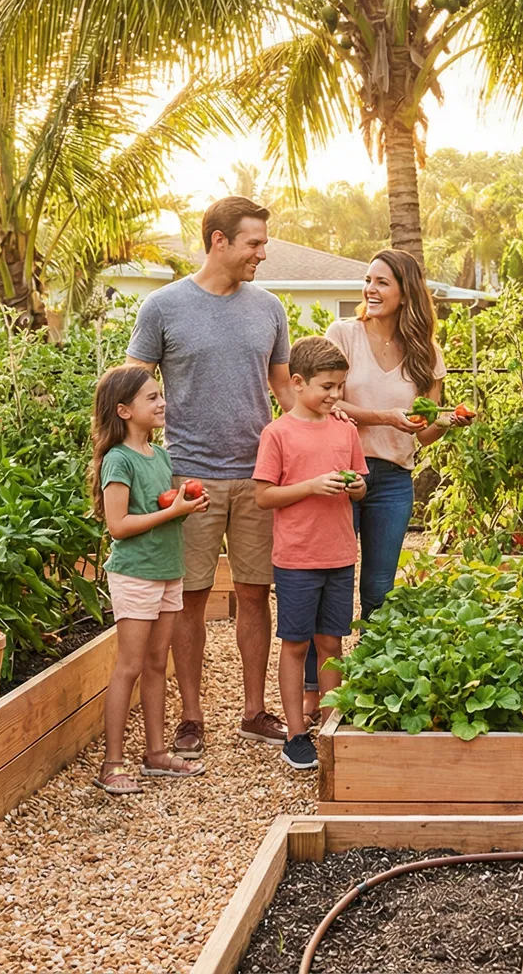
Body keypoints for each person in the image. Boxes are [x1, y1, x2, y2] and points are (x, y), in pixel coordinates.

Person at [127, 196, 295, 758]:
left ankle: (254, 710)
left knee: (255, 593)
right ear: (218, 241)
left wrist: (319, 423)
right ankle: (192, 717)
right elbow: (132, 390)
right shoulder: (163, 307)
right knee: (189, 599)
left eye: (263, 243)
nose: (262, 254)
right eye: (253, 243)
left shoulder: (268, 307)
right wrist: (135, 461)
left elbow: (284, 388)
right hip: (188, 478)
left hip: (258, 477)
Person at [313, 248, 459, 716]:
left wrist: (446, 422)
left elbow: (423, 429)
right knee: (331, 581)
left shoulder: (426, 353)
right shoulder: (343, 336)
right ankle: (318, 689)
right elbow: (327, 404)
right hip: (342, 474)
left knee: (378, 588)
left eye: (382, 283)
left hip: (394, 479)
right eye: (368, 280)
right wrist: (386, 418)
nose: (369, 290)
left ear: (405, 294)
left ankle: (374, 681)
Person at [88, 365, 208, 794]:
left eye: (161, 396)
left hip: (167, 571)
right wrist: (174, 511)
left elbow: (164, 509)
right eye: (152, 398)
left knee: (159, 665)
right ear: (123, 410)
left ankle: (156, 754)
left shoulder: (159, 456)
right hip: (136, 574)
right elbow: (118, 525)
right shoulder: (118, 460)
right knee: (130, 666)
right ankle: (112, 763)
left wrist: (189, 503)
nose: (162, 404)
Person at [251, 336, 368, 770]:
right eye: (326, 387)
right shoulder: (277, 433)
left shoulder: (345, 429)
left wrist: (357, 486)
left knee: (331, 642)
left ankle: (329, 725)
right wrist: (312, 486)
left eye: (340, 386)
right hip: (297, 558)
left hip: (339, 553)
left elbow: (361, 484)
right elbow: (264, 496)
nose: (335, 395)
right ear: (297, 383)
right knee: (296, 643)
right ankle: (296, 733)